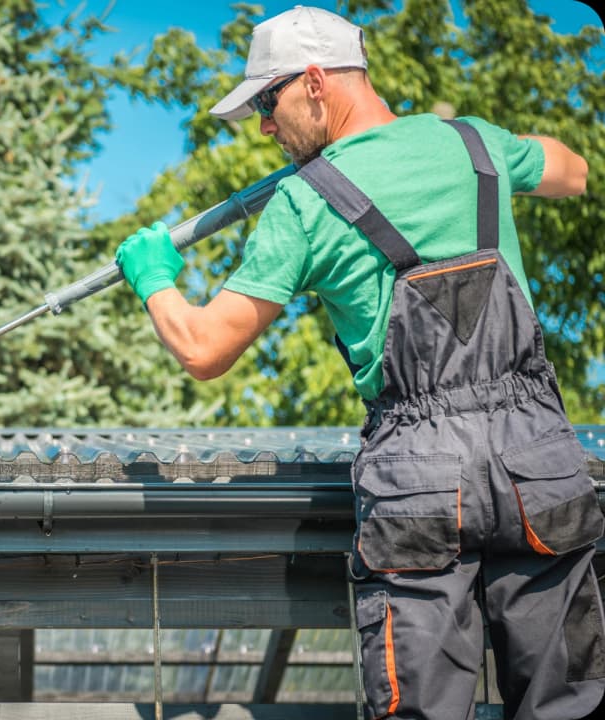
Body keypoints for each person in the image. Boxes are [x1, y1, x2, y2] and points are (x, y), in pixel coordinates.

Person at [113, 5, 604, 718]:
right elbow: (576, 172)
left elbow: (203, 347)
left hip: (420, 479)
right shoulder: (474, 143)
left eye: (266, 102)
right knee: (572, 703)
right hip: (539, 459)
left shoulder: (304, 203)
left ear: (315, 81)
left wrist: (154, 277)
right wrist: (497, 150)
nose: (263, 126)